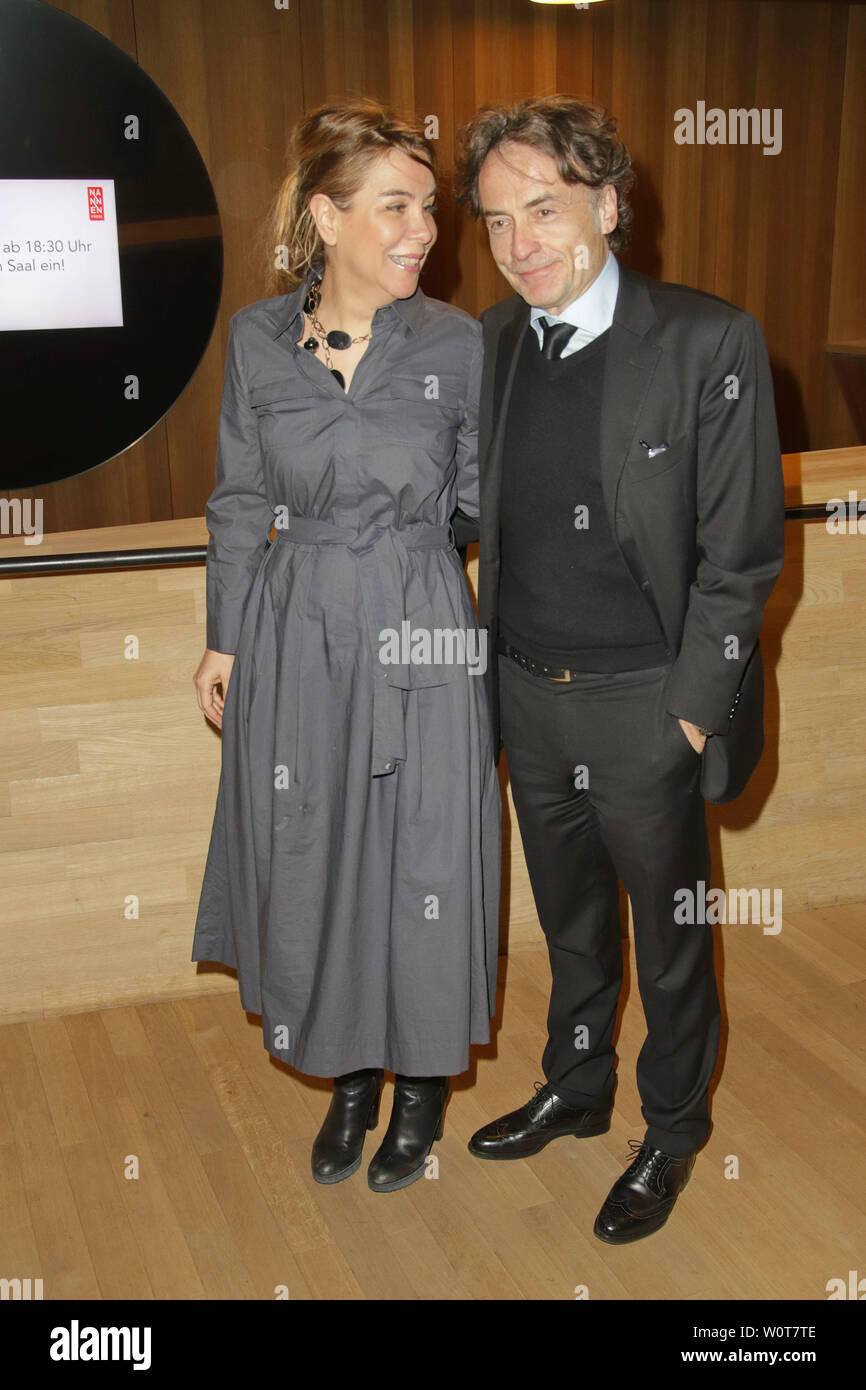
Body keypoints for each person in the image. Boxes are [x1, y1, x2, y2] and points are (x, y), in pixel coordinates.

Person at [452, 96, 784, 1242]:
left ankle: (671, 1129)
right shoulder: (488, 345)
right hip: (526, 697)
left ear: (604, 202)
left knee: (671, 938)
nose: (518, 244)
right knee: (573, 923)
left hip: (648, 704)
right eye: (496, 221)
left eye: (541, 208)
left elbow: (741, 561)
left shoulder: (707, 339)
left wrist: (687, 719)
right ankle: (577, 1085)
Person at [192, 101, 500, 1194]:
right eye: (395, 206)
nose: (423, 229)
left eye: (427, 207)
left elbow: (487, 503)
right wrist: (225, 640)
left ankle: (420, 1084)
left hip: (419, 613)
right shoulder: (255, 341)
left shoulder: (461, 344)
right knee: (317, 855)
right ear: (326, 216)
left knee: (421, 857)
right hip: (298, 627)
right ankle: (353, 1078)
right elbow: (237, 499)